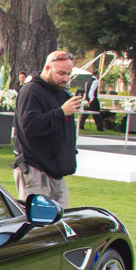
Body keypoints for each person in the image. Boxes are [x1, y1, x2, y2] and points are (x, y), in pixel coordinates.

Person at [12, 50, 83, 209]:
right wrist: (61, 112)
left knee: (56, 222)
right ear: (47, 69)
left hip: (55, 171)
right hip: (36, 169)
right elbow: (29, 126)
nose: (65, 78)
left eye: (68, 74)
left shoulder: (61, 94)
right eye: (61, 73)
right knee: (37, 221)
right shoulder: (31, 91)